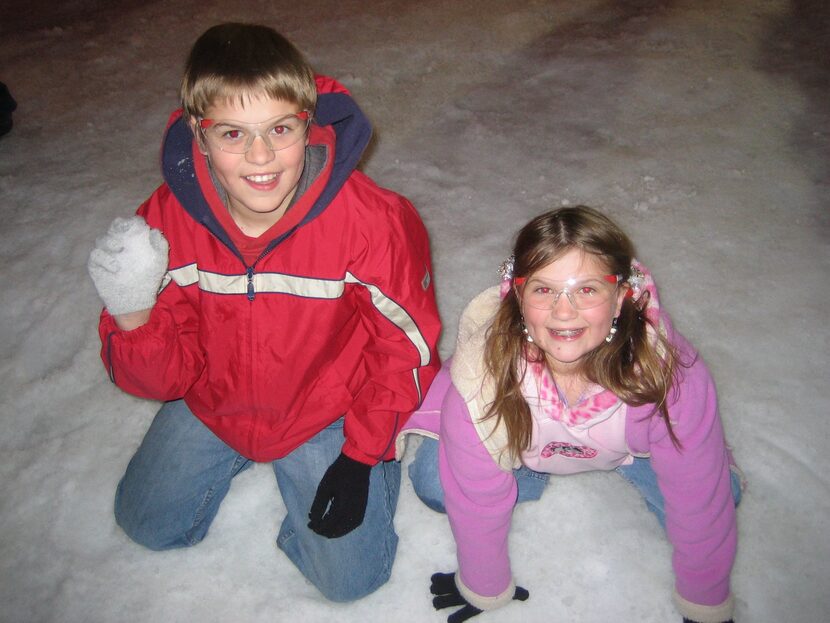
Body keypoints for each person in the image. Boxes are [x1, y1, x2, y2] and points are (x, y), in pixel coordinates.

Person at [87, 23, 441, 602]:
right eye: (233, 133)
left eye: (280, 128)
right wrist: (132, 314)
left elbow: (407, 349)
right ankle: (240, 451)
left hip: (325, 410)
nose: (260, 156)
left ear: (309, 124)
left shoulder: (374, 222)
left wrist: (361, 455)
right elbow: (163, 379)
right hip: (213, 397)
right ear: (199, 136)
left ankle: (337, 483)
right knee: (146, 526)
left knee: (351, 581)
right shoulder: (166, 220)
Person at [399, 206, 743, 622]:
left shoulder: (667, 374)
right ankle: (533, 465)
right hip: (524, 444)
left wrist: (705, 604)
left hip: (627, 450)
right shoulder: (484, 376)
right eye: (543, 290)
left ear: (621, 297)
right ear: (517, 297)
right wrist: (484, 585)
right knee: (437, 483)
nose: (564, 312)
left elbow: (699, 502)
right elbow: (474, 499)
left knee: (715, 494)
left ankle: (616, 456)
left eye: (587, 290)